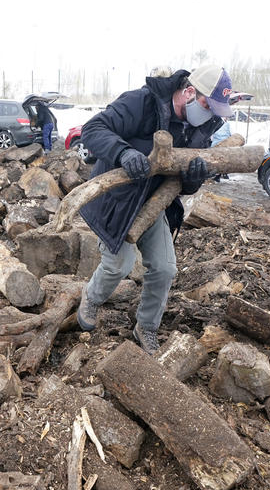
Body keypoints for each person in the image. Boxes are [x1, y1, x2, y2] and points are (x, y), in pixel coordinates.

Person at [75, 65, 233, 354]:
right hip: (116, 198)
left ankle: (145, 326)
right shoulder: (144, 102)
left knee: (164, 268)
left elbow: (182, 187)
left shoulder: (203, 128)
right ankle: (92, 297)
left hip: (154, 202)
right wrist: (123, 152)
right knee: (118, 264)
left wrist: (192, 179)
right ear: (188, 92)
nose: (210, 115)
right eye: (207, 105)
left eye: (215, 110)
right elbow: (93, 129)